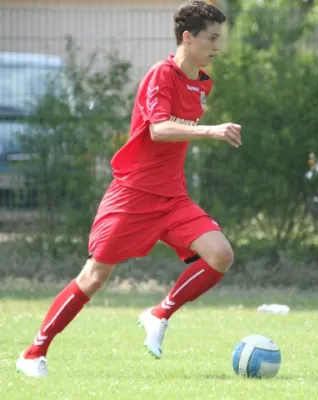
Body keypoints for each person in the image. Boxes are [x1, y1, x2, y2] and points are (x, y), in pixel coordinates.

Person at [16, 0, 242, 377]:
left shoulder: (202, 83)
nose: (217, 47)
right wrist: (211, 130)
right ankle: (33, 352)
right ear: (188, 37)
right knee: (94, 277)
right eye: (212, 38)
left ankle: (159, 313)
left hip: (172, 198)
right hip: (133, 196)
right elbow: (158, 129)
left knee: (220, 254)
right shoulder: (161, 74)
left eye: (220, 38)